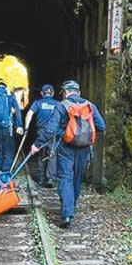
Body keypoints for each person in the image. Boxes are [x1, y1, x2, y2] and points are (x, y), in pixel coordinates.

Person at [30, 80, 105, 228]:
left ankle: (67, 214)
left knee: (65, 178)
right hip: (84, 149)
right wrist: (85, 134)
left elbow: (50, 129)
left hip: (66, 148)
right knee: (77, 178)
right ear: (79, 92)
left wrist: (37, 144)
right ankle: (71, 208)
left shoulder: (61, 106)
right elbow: (101, 126)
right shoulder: (90, 106)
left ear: (65, 92)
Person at [25, 84, 63, 188]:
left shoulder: (38, 103)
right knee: (52, 154)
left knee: (41, 155)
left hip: (41, 132)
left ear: (42, 93)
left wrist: (26, 128)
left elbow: (29, 114)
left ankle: (42, 179)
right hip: (54, 132)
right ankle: (51, 178)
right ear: (53, 93)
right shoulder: (58, 104)